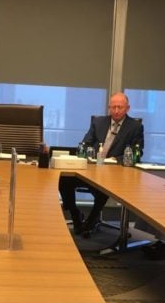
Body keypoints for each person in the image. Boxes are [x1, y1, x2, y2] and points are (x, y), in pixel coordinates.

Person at [58, 92, 144, 235]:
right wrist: (90, 154)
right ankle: (75, 215)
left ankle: (90, 221)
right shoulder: (98, 122)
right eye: (113, 107)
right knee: (64, 179)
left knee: (103, 188)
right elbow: (85, 144)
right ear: (109, 107)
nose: (116, 111)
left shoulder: (135, 127)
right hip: (92, 170)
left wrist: (115, 160)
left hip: (114, 174)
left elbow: (137, 152)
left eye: (120, 107)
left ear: (127, 108)